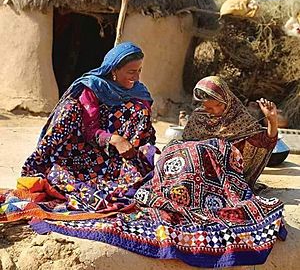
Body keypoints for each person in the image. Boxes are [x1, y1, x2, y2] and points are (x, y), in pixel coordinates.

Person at [30, 77, 286, 269]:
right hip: (190, 169)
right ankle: (169, 192)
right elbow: (185, 144)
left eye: (212, 104)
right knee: (176, 153)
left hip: (221, 176)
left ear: (225, 101)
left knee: (198, 154)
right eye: (204, 103)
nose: (207, 108)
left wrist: (271, 122)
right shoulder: (199, 117)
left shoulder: (239, 119)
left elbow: (261, 147)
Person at [18, 42, 157, 214]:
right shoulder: (93, 87)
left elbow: (145, 130)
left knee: (139, 109)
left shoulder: (139, 92)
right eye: (131, 71)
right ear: (114, 70)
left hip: (119, 160)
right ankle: (47, 166)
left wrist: (144, 147)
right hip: (81, 153)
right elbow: (90, 131)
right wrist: (115, 139)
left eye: (139, 71)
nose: (136, 77)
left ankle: (122, 175)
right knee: (70, 108)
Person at [182, 76, 278, 189]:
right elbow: (185, 149)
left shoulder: (241, 118)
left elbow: (266, 142)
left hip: (230, 180)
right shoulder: (198, 118)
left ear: (228, 98)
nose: (217, 111)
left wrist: (272, 119)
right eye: (209, 108)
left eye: (219, 105)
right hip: (199, 176)